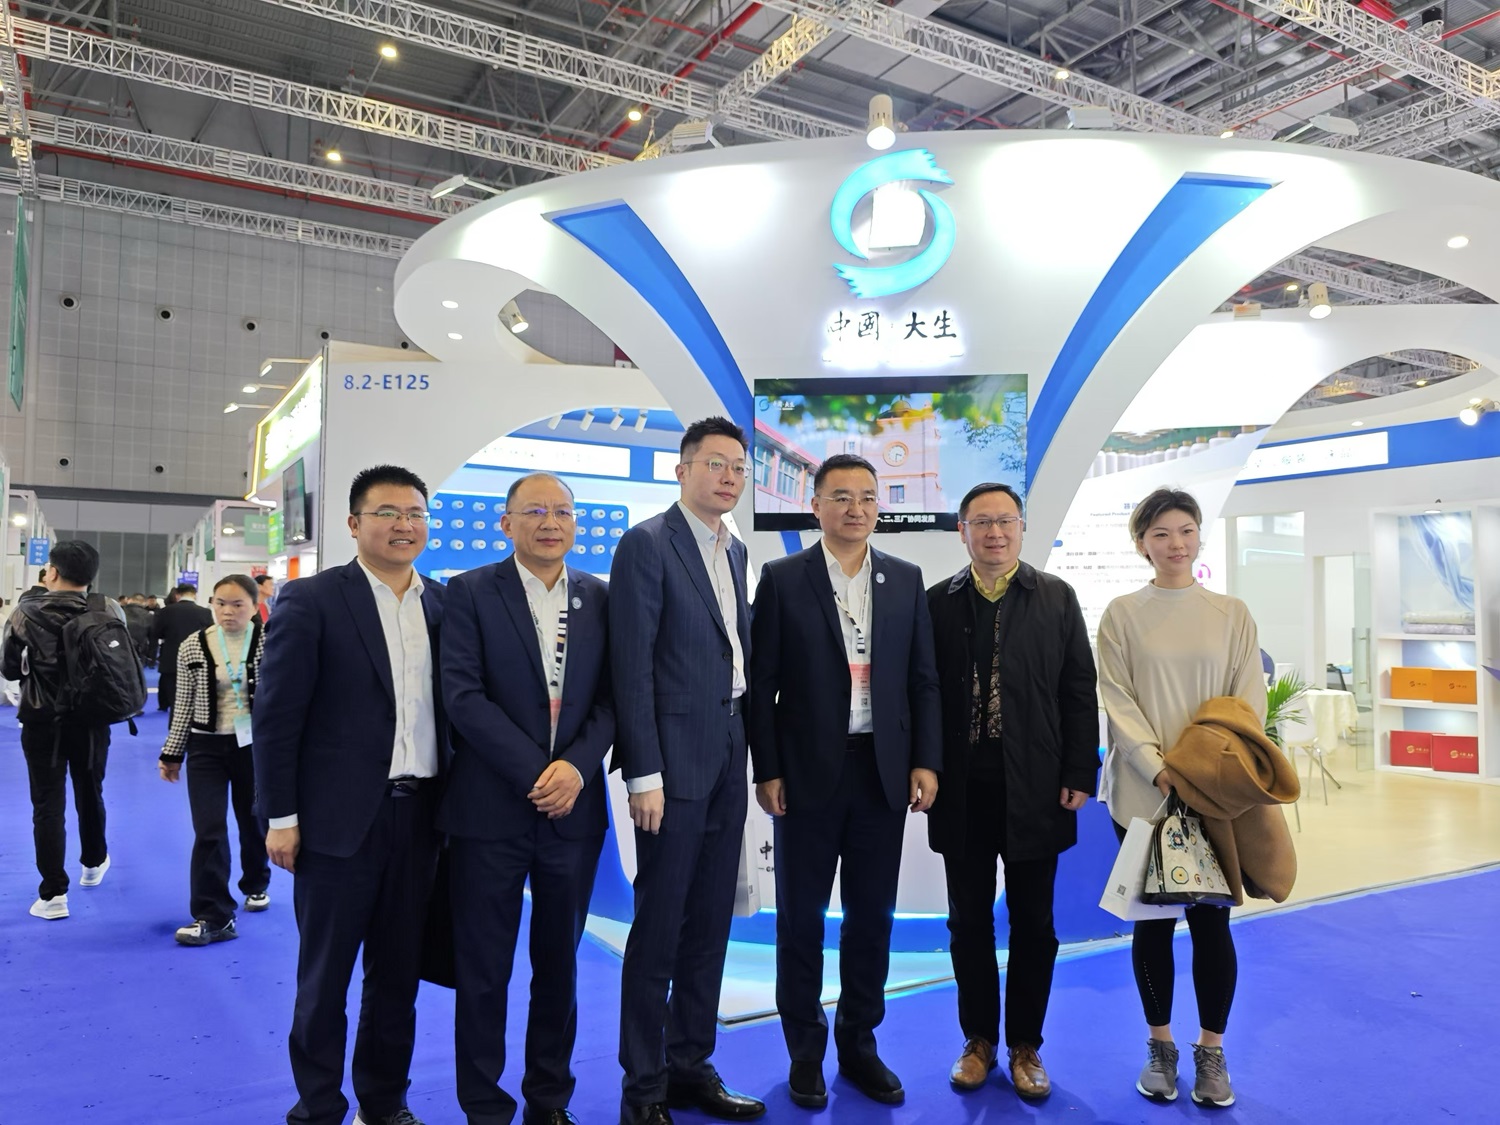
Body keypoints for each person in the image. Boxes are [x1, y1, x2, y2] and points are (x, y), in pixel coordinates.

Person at [253, 465, 447, 1125]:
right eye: (387, 512)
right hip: (336, 825)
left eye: (415, 513)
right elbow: (277, 719)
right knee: (324, 979)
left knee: (398, 977)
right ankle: (317, 1108)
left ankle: (384, 1103)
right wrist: (281, 816)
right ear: (354, 523)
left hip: (421, 821)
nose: (403, 525)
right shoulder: (312, 600)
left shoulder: (443, 604)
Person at [749, 452, 941, 1110]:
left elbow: (923, 680)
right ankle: (805, 1050)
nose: (855, 508)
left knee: (870, 918)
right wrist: (768, 769)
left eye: (866, 497)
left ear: (878, 507)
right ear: (816, 507)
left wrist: (925, 760)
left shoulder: (904, 578)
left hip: (881, 774)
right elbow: (762, 686)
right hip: (805, 776)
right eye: (841, 497)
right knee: (801, 920)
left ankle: (859, 1043)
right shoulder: (782, 579)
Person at [440, 472, 614, 1125]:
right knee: (483, 969)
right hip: (489, 810)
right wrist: (538, 773)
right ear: (506, 522)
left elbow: (613, 697)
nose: (550, 522)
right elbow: (462, 696)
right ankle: (484, 1106)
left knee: (559, 967)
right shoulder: (469, 591)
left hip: (574, 813)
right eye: (535, 510)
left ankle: (549, 1100)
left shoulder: (599, 596)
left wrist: (575, 767)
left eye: (562, 511)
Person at [610, 416, 764, 1125]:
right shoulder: (648, 543)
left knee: (709, 922)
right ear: (682, 470)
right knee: (660, 927)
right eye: (715, 464)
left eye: (738, 468)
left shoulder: (735, 548)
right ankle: (643, 1087)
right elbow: (632, 665)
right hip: (670, 767)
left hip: (728, 751)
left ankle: (690, 1065)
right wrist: (644, 773)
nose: (728, 477)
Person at [925, 483, 1099, 1099]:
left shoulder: (1055, 596)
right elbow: (923, 694)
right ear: (962, 531)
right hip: (962, 790)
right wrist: (923, 767)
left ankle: (1026, 1044)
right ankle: (978, 1040)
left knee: (1034, 923)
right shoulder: (937, 602)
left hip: (1037, 786)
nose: (994, 532)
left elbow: (1078, 689)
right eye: (981, 522)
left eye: (1005, 521)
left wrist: (1079, 771)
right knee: (967, 921)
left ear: (1022, 528)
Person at [1097, 487, 1266, 1109]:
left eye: (1186, 530)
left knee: (1212, 924)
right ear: (1142, 542)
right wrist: (1158, 767)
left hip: (1214, 794)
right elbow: (1118, 701)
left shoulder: (1231, 613)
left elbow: (1246, 704)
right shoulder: (1122, 614)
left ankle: (1211, 1052)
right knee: (1153, 926)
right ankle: (1161, 1047)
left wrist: (1204, 771)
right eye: (1162, 533)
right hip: (1143, 798)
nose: (1176, 543)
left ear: (1199, 536)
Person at [0, 541, 125, 920]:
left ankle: (53, 894)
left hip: (41, 721)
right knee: (90, 791)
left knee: (47, 804)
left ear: (51, 572)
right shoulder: (108, 609)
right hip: (92, 720)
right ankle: (93, 863)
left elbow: (8, 668)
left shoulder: (24, 613)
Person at [158, 574, 270, 946]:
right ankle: (214, 914)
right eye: (220, 603)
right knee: (208, 829)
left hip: (254, 748)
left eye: (238, 604)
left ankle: (256, 882)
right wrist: (172, 753)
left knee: (253, 821)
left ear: (254, 606)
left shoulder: (271, 642)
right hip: (205, 747)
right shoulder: (193, 645)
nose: (227, 611)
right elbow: (183, 704)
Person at [151, 583, 212, 712]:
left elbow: (156, 633)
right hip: (196, 657)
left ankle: (168, 708)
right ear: (195, 595)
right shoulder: (205, 612)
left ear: (177, 595)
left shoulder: (166, 611)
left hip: (171, 656)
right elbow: (210, 635)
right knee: (195, 693)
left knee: (173, 695)